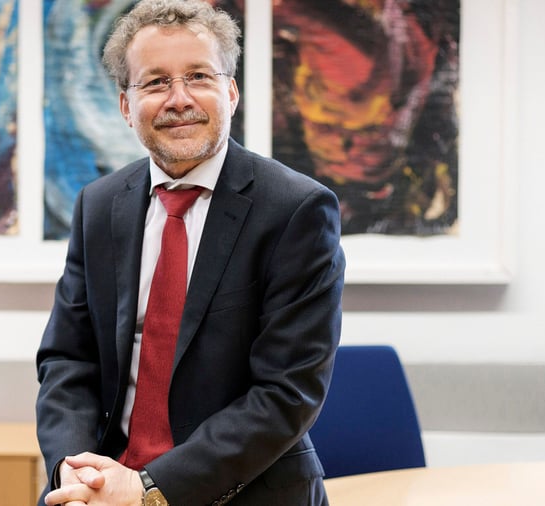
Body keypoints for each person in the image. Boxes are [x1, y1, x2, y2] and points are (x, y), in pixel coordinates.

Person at [35, 1, 345, 504]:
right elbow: (68, 359)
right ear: (126, 106)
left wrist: (149, 489)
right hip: (105, 484)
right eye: (156, 82)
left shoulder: (297, 210)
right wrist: (76, 472)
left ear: (231, 92)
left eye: (199, 76)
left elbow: (287, 393)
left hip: (240, 491)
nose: (178, 99)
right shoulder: (99, 205)